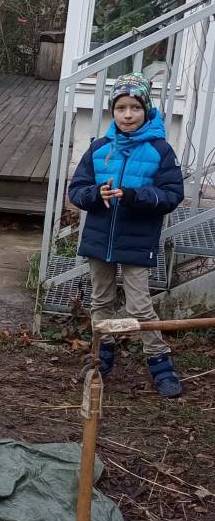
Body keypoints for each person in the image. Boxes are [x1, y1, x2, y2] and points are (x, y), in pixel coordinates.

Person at [68, 72, 184, 398]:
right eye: (121, 108)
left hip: (137, 241)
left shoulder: (160, 150)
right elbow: (77, 190)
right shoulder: (100, 148)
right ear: (113, 111)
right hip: (99, 240)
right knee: (101, 302)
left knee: (140, 306)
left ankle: (160, 364)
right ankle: (101, 355)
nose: (128, 114)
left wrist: (135, 196)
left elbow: (172, 195)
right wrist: (96, 194)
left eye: (135, 107)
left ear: (146, 110)